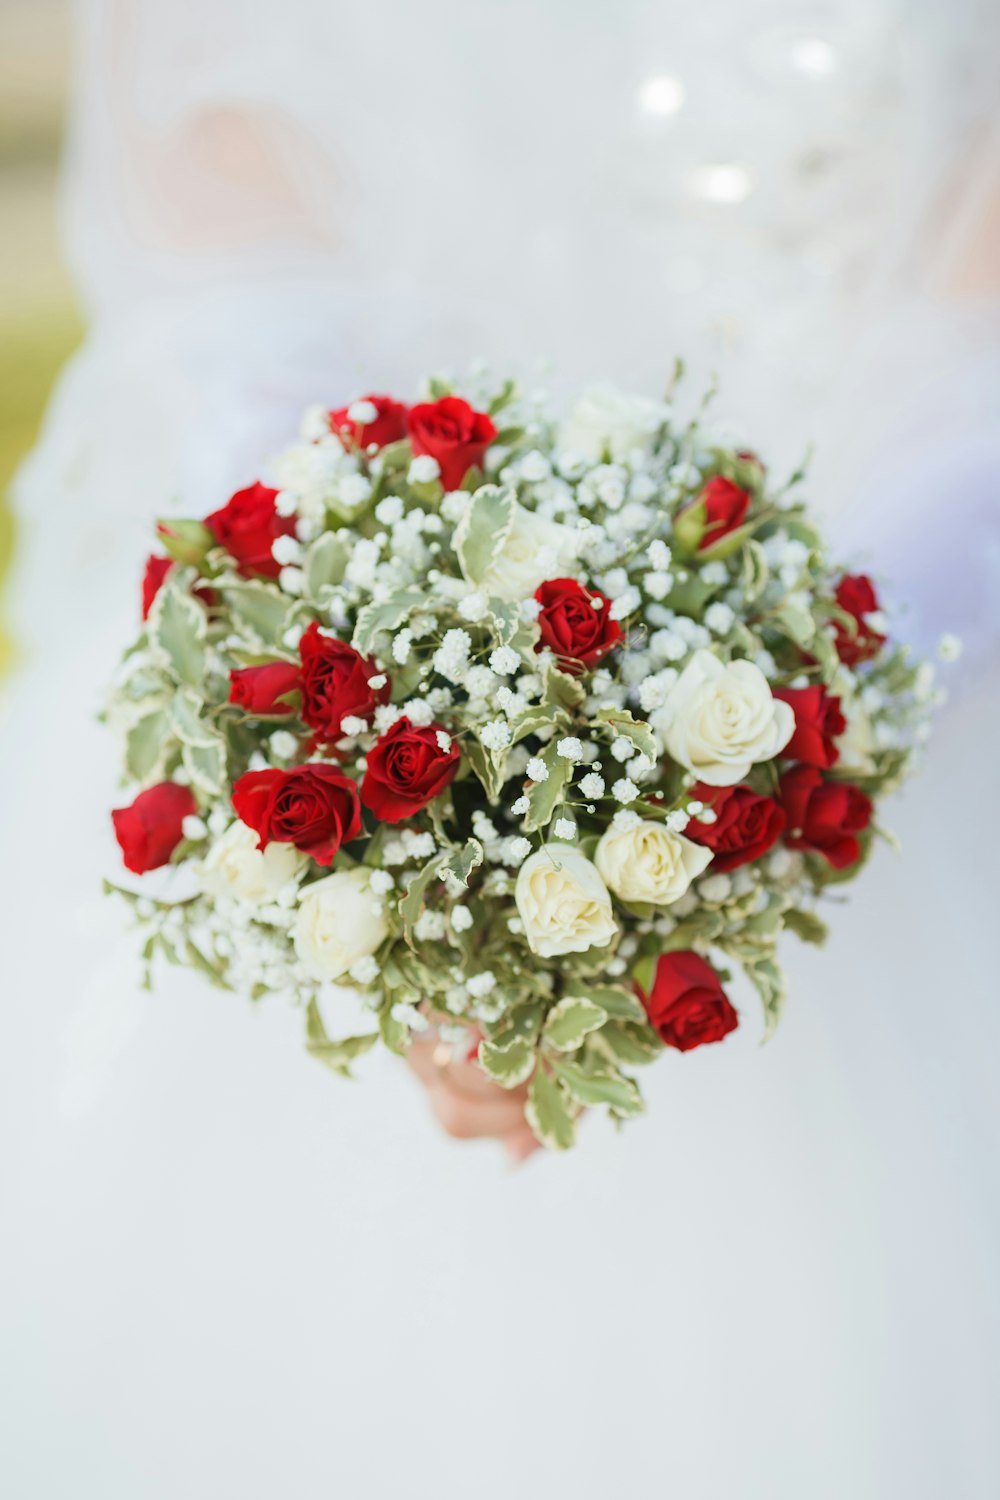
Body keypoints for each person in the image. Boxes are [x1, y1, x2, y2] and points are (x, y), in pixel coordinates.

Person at [1, 3, 998, 1496]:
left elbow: (973, 376)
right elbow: (233, 304)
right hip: (366, 642)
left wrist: (772, 747)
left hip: (882, 687)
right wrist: (375, 795)